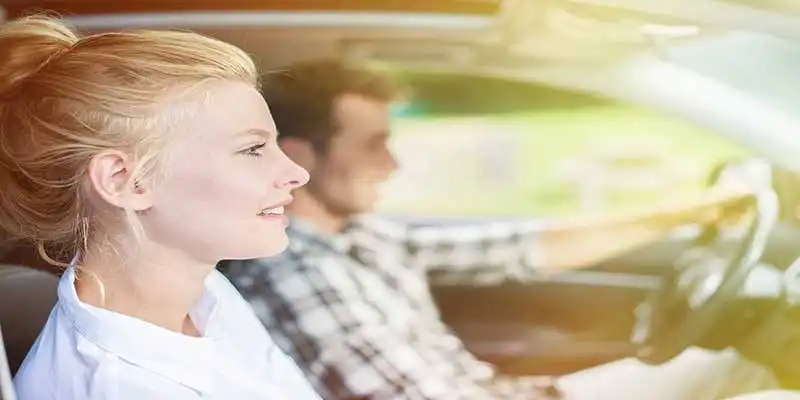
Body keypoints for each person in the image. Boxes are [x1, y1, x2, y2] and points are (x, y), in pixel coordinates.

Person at [219, 60, 778, 399]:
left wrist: (694, 212)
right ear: (298, 156)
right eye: (372, 144)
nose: (393, 165)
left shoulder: (362, 235)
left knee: (735, 367)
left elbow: (520, 249)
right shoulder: (291, 270)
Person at [0, 16, 320, 399]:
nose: (297, 173)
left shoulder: (204, 294)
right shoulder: (122, 388)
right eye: (252, 149)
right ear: (125, 180)